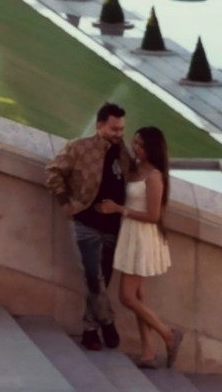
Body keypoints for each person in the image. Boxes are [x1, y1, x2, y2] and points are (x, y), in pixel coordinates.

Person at [46, 99, 133, 350]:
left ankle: (90, 332)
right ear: (100, 126)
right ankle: (107, 321)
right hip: (86, 223)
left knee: (101, 282)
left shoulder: (124, 154)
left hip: (114, 227)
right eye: (114, 129)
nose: (118, 134)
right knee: (93, 278)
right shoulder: (79, 148)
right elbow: (53, 172)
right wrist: (65, 204)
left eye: (121, 129)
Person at [114, 123, 179, 367]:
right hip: (131, 234)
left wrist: (121, 210)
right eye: (135, 142)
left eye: (141, 144)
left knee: (127, 296)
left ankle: (168, 334)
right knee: (139, 295)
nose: (136, 147)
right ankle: (148, 352)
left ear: (152, 148)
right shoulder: (135, 169)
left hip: (142, 237)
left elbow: (153, 216)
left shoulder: (154, 177)